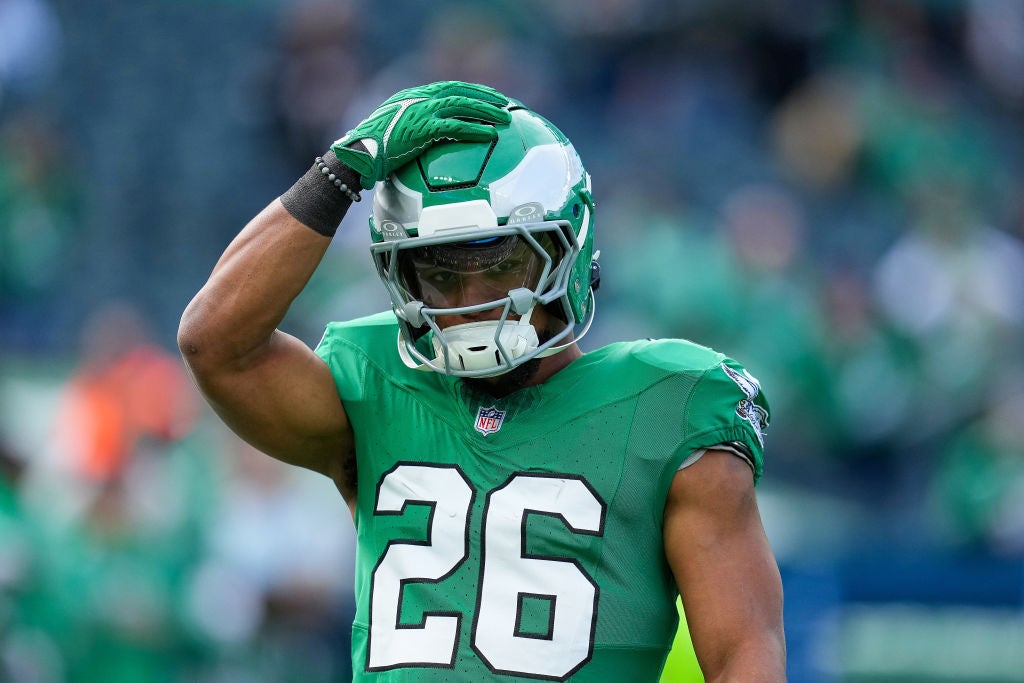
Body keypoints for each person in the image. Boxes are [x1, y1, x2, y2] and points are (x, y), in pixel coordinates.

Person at [178, 81, 786, 682]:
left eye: (498, 263)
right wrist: (339, 173)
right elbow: (215, 344)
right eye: (437, 270)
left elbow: (744, 657)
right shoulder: (375, 384)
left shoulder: (666, 406)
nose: (468, 302)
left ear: (567, 246)